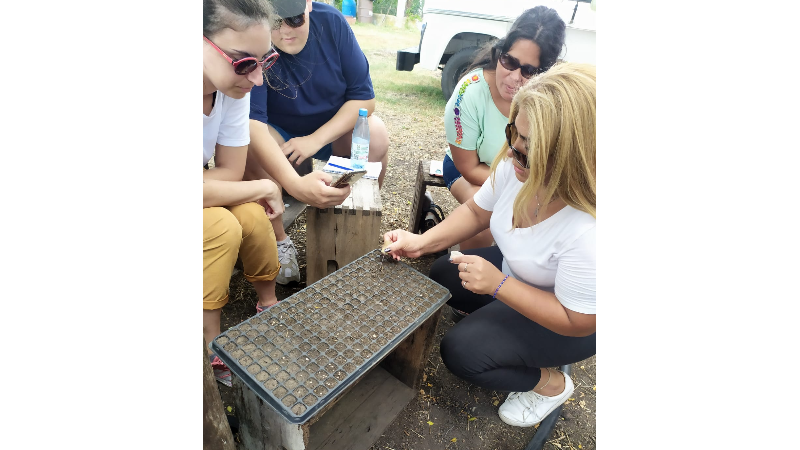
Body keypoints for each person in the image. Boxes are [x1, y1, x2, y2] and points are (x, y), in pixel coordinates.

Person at [383, 62, 596, 428]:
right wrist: (421, 241)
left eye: (531, 147)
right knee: (442, 273)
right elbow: (477, 211)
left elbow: (578, 320)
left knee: (462, 352)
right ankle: (495, 328)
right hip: (522, 275)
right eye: (515, 132)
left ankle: (550, 384)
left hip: (567, 320)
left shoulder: (586, 230)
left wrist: (499, 285)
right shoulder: (518, 164)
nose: (515, 149)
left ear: (572, 156)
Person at [245, 0, 390, 285]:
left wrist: (315, 140)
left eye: (295, 20)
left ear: (309, 5)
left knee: (377, 135)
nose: (285, 31)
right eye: (275, 22)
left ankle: (354, 222)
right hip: (280, 130)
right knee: (249, 150)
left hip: (330, 127)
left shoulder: (332, 22)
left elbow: (364, 98)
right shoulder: (253, 33)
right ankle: (279, 240)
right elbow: (252, 123)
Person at [203, 0, 287, 386]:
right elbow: (235, 178)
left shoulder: (231, 90)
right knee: (221, 224)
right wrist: (264, 185)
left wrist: (247, 188)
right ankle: (211, 342)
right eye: (243, 62)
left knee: (252, 214)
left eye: (264, 61)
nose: (256, 79)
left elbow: (232, 170)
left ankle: (267, 302)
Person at [440, 6, 566, 251]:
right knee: (488, 222)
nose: (514, 77)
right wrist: (523, 188)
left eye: (529, 71)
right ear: (499, 53)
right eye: (509, 61)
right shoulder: (468, 93)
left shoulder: (555, 103)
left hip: (528, 178)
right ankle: (466, 278)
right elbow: (469, 167)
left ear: (547, 73)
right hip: (471, 171)